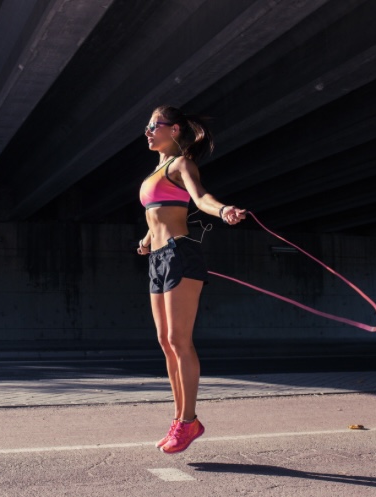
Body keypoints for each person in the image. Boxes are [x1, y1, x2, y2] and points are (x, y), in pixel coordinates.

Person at [137, 105, 246, 454]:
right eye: (148, 126)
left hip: (180, 255)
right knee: (164, 341)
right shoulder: (156, 170)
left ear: (176, 129)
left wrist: (224, 209)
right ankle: (180, 420)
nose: (148, 131)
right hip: (157, 258)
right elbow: (159, 215)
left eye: (155, 125)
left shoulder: (180, 164)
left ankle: (188, 421)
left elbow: (200, 199)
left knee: (179, 339)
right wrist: (145, 240)